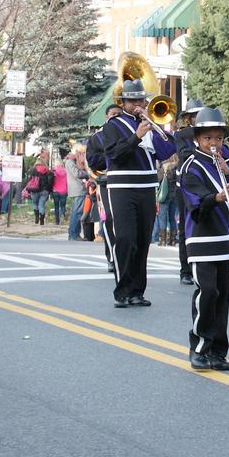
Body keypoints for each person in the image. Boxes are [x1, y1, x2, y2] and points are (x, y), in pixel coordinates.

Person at [179, 107, 229, 371]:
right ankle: (199, 347)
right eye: (208, 139)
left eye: (218, 138)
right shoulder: (190, 166)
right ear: (197, 139)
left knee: (222, 297)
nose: (214, 144)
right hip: (200, 238)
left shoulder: (224, 165)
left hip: (223, 237)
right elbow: (195, 202)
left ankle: (218, 351)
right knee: (207, 293)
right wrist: (217, 196)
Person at [101, 79, 177, 307]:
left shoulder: (149, 124)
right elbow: (114, 155)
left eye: (141, 100)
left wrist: (155, 126)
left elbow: (166, 151)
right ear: (123, 102)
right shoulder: (113, 126)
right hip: (122, 187)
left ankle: (137, 291)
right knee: (125, 239)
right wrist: (136, 137)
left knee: (143, 241)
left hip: (146, 187)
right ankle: (122, 291)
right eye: (133, 100)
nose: (138, 104)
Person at [172, 99, 204, 284]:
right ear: (189, 119)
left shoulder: (211, 135)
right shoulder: (181, 135)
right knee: (185, 228)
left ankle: (203, 264)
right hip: (185, 185)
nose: (198, 119)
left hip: (206, 185)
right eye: (195, 116)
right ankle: (185, 270)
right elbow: (184, 155)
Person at [87, 105, 122, 272]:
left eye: (118, 115)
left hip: (125, 182)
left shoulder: (128, 134)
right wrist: (111, 156)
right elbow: (92, 160)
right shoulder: (97, 138)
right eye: (112, 115)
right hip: (106, 182)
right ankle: (112, 257)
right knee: (109, 219)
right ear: (106, 117)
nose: (115, 117)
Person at [65, 144, 88, 240]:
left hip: (78, 190)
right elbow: (76, 173)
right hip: (78, 190)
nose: (82, 154)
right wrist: (88, 174)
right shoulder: (69, 162)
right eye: (80, 152)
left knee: (76, 212)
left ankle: (74, 234)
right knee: (77, 213)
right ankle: (74, 235)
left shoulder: (72, 161)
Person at [25, 157, 53, 225]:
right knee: (41, 205)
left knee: (35, 204)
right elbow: (50, 181)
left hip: (34, 190)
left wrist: (28, 189)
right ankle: (42, 221)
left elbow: (29, 180)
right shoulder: (47, 170)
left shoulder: (32, 170)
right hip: (44, 190)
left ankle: (36, 217)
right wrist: (49, 190)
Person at [51, 156, 68, 225]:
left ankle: (57, 221)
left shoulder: (54, 171)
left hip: (55, 190)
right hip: (64, 190)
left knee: (56, 206)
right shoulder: (66, 171)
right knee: (63, 206)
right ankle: (62, 216)